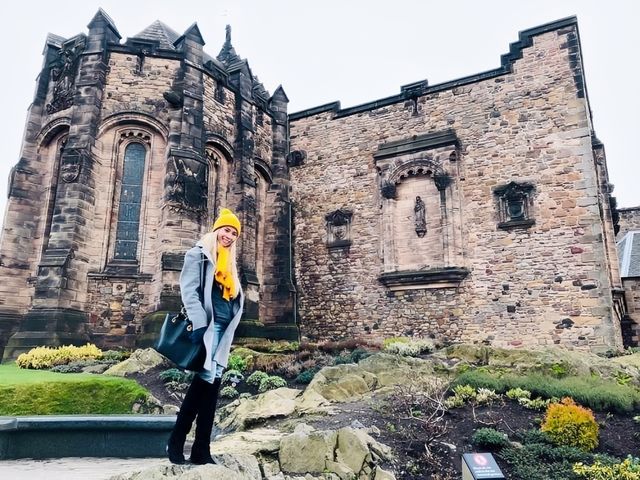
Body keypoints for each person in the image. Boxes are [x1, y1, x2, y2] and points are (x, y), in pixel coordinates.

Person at [166, 208, 244, 465]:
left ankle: (198, 448)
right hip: (208, 330)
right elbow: (188, 292)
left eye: (234, 233)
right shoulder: (198, 255)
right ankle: (181, 443)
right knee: (205, 385)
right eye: (226, 230)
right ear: (216, 229)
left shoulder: (230, 265)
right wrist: (199, 325)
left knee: (209, 388)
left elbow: (231, 299)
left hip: (224, 332)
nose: (229, 236)